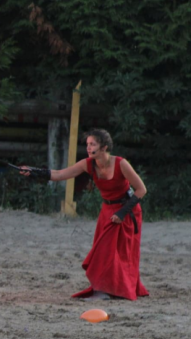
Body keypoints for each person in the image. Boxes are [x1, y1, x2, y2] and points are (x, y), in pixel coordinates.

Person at [20, 128, 149, 301]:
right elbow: (60, 174)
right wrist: (35, 171)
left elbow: (141, 190)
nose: (88, 148)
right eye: (87, 144)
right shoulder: (88, 164)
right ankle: (107, 289)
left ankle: (109, 290)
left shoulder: (120, 164)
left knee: (120, 252)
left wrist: (122, 212)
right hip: (108, 211)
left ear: (104, 147)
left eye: (93, 144)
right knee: (104, 250)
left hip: (128, 211)